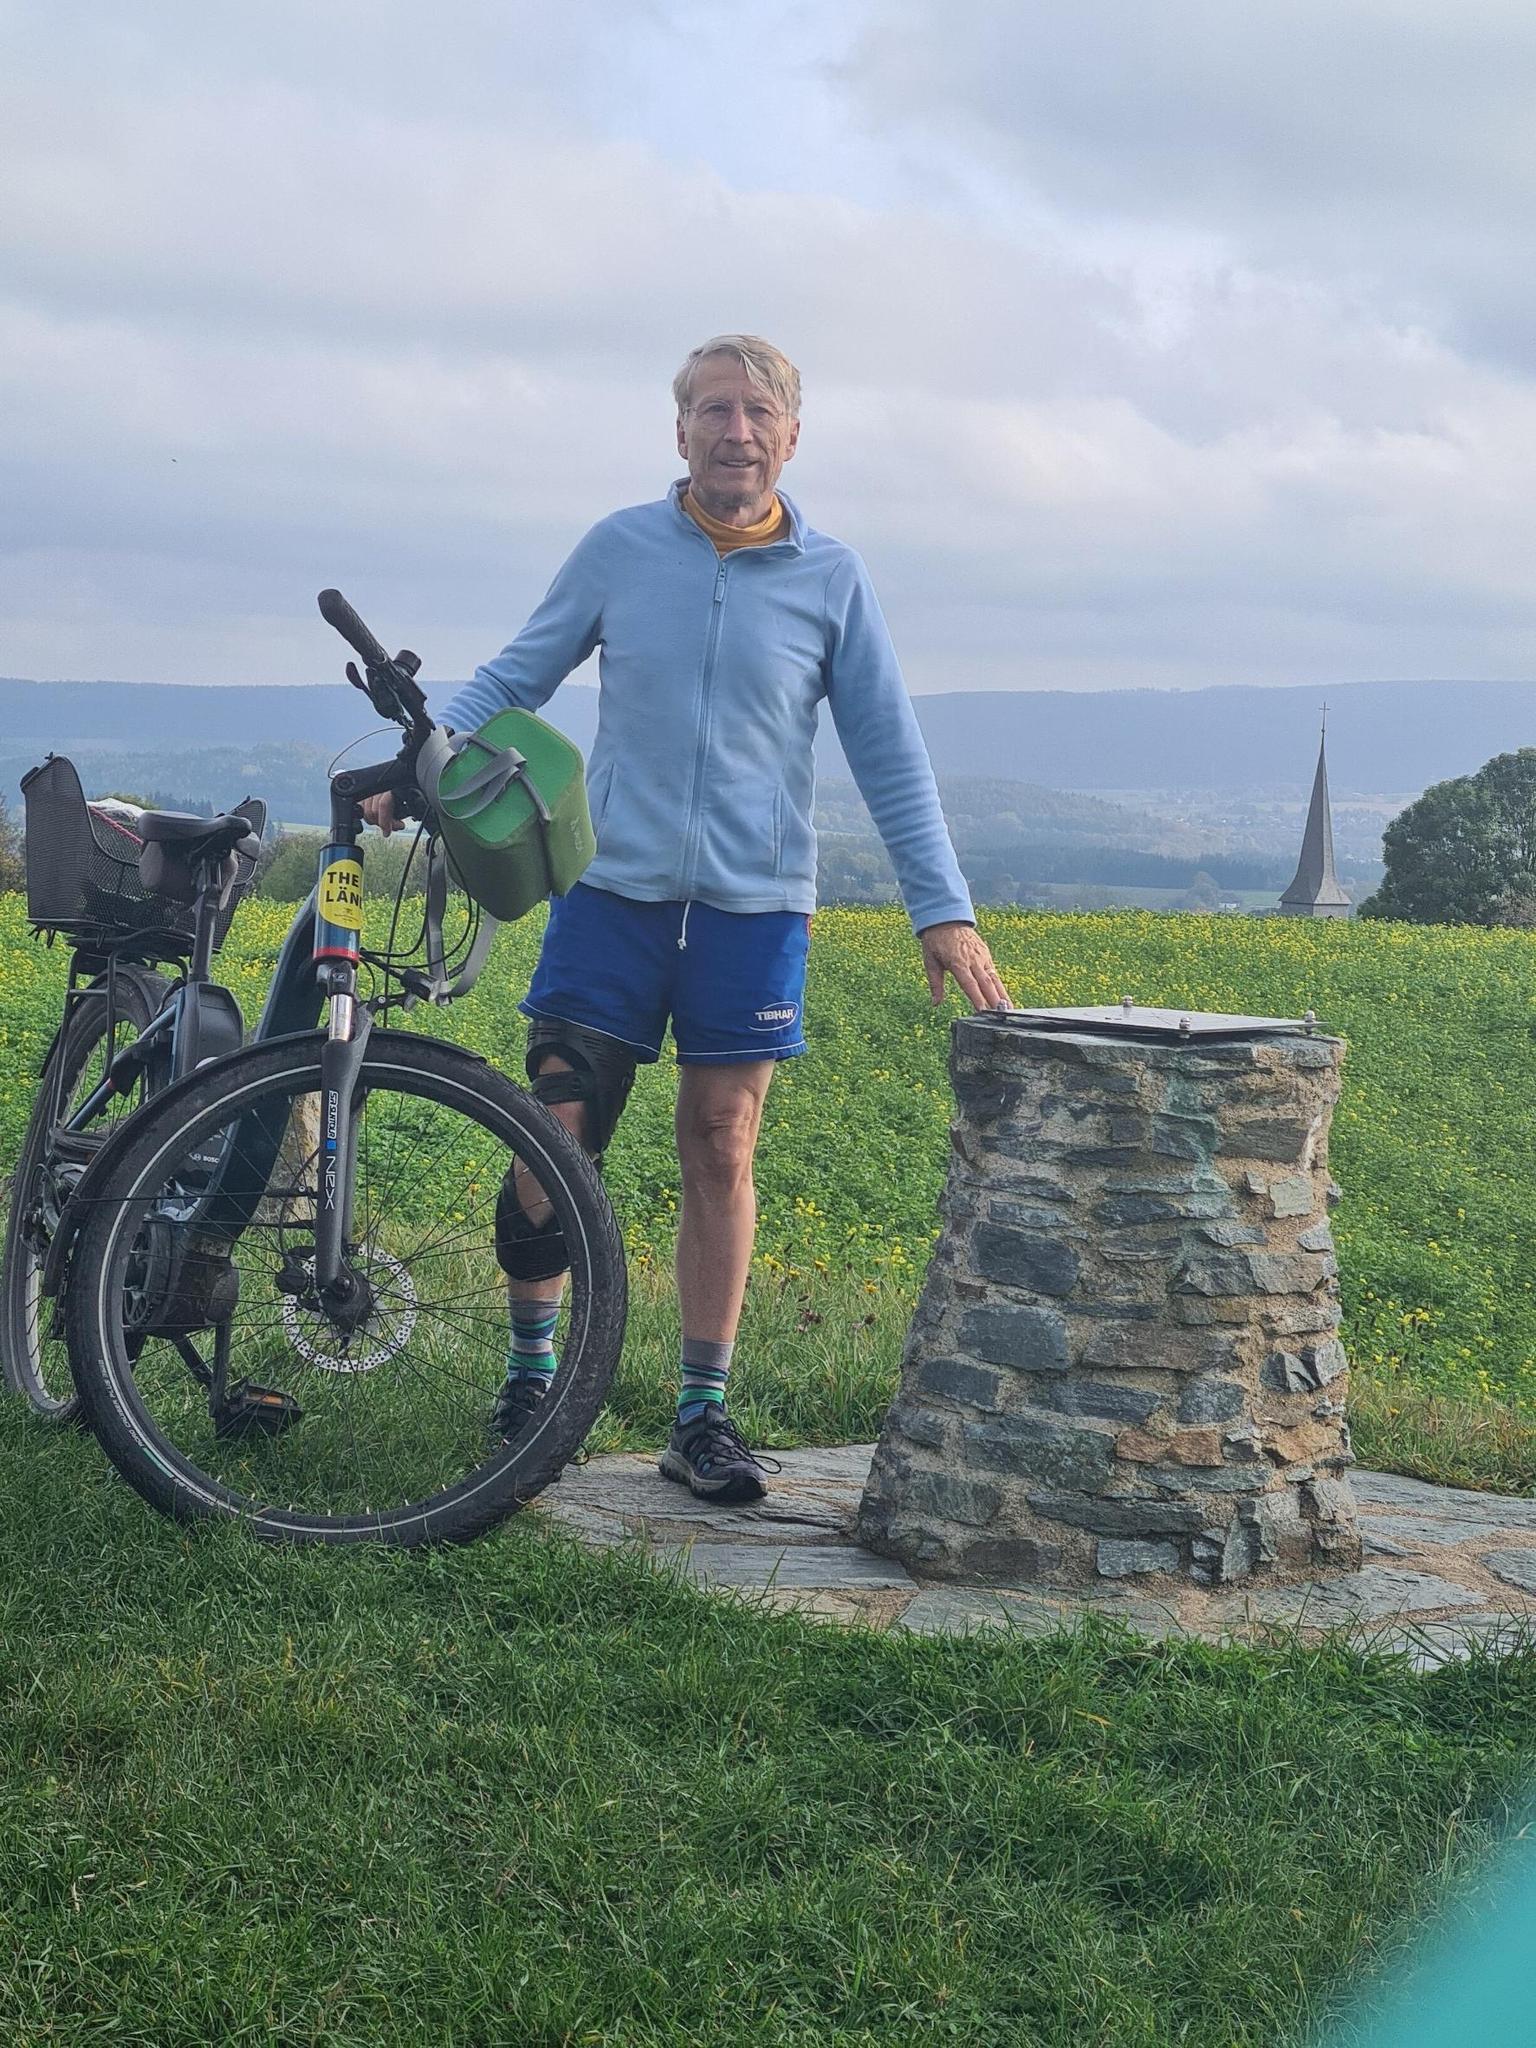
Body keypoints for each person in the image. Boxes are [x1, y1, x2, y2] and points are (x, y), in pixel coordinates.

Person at [365, 334, 1011, 1503]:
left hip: (753, 908)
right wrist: (424, 761)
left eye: (758, 412)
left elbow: (888, 747)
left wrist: (942, 908)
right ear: (680, 431)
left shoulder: (833, 577)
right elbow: (515, 676)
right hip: (611, 892)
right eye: (714, 410)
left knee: (722, 1141)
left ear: (792, 435)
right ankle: (531, 1381)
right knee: (556, 1127)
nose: (736, 432)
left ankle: (701, 1413)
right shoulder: (620, 548)